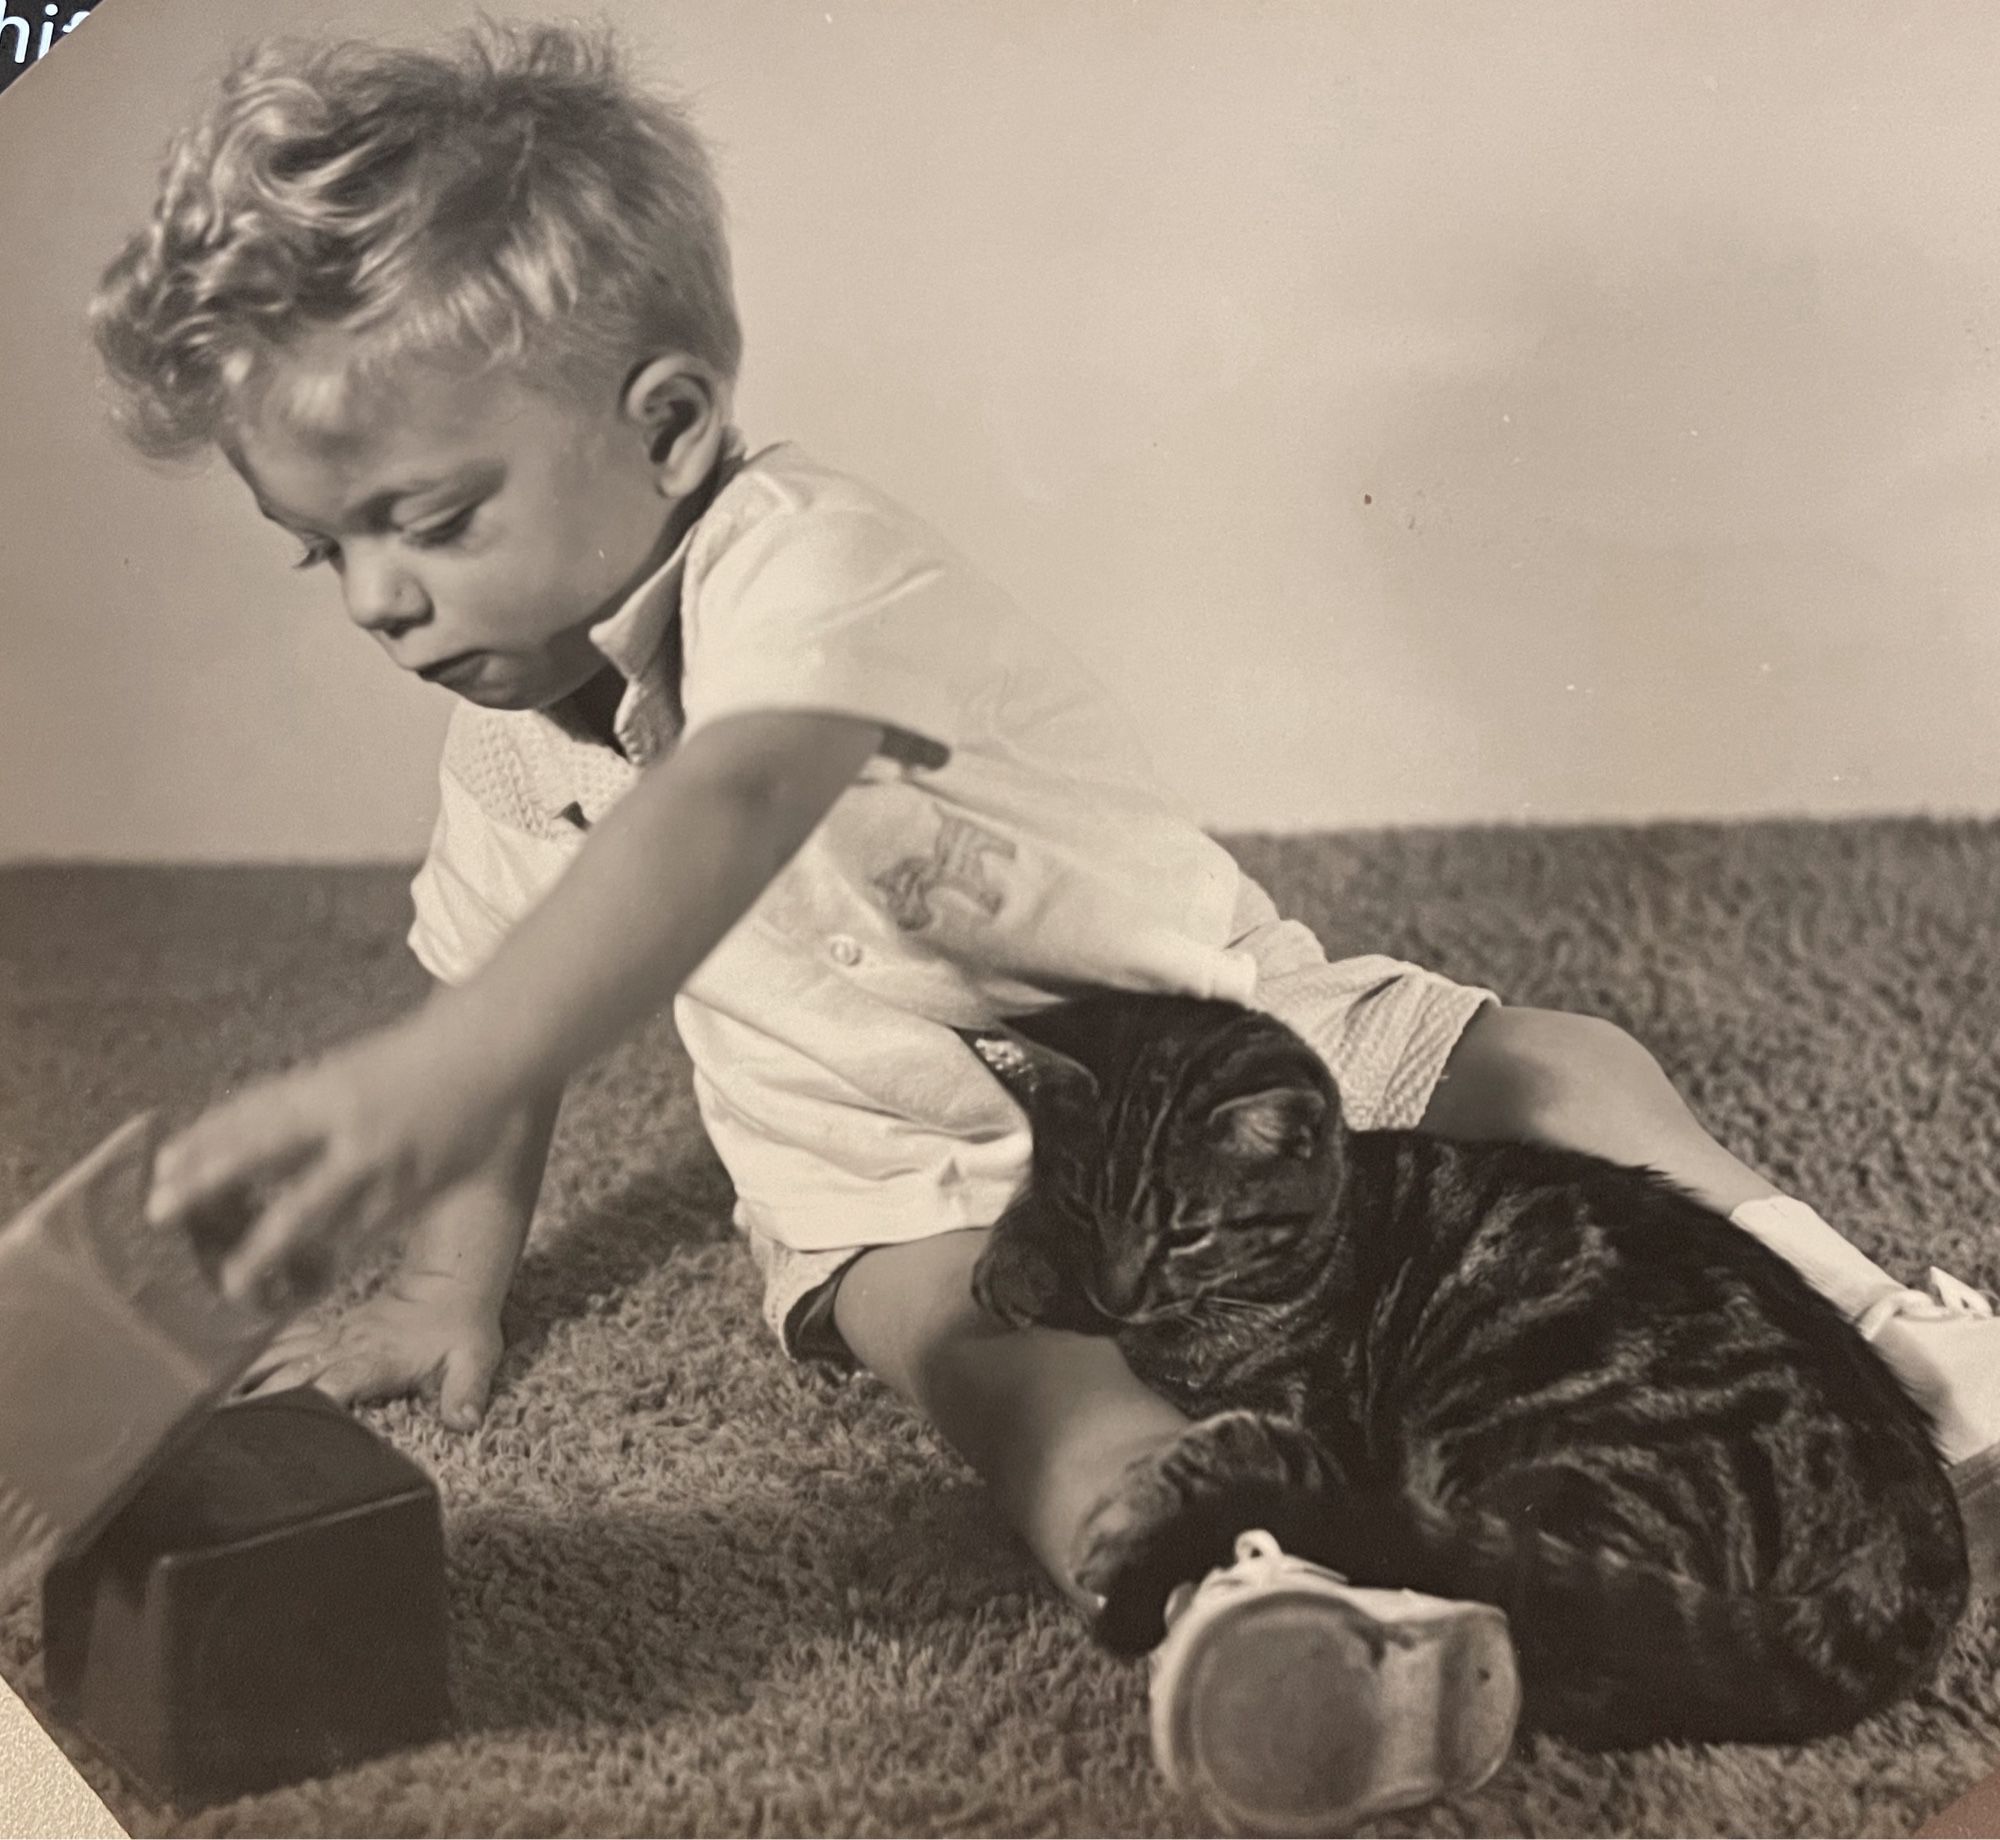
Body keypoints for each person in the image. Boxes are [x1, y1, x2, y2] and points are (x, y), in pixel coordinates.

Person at [98, 19, 1996, 1829]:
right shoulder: (505, 742)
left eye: (423, 518)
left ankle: (1863, 1317)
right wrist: (452, 1281)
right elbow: (504, 980)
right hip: (883, 1184)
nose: (376, 600)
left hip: (1206, 1050)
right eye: (324, 546)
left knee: (1548, 1068)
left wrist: (442, 1074)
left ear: (667, 424)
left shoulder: (811, 565)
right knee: (1009, 1389)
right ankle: (1259, 1614)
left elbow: (737, 796)